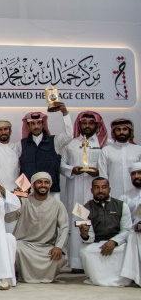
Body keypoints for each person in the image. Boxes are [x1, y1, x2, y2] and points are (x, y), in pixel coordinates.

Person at [61, 111, 107, 272]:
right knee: (77, 222)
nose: (87, 126)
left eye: (91, 123)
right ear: (79, 125)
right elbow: (61, 165)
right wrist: (72, 169)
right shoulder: (71, 144)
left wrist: (99, 172)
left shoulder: (103, 144)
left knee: (98, 221)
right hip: (76, 192)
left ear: (96, 125)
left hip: (96, 193)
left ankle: (98, 262)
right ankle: (76, 263)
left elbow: (107, 166)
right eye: (84, 123)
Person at [7, 172, 69, 283]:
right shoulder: (24, 201)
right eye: (39, 182)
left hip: (46, 247)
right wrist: (15, 201)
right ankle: (18, 273)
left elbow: (65, 228)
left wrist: (58, 247)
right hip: (24, 245)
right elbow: (8, 218)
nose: (43, 185)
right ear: (33, 185)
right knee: (14, 249)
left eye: (46, 182)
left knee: (58, 256)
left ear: (50, 185)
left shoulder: (57, 205)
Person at [78, 178, 131, 287]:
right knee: (86, 252)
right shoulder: (83, 209)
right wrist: (85, 235)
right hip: (96, 243)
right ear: (91, 190)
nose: (101, 190)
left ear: (109, 189)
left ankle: (121, 280)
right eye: (97, 187)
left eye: (104, 187)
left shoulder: (122, 205)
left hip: (118, 243)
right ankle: (96, 279)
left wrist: (113, 241)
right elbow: (89, 237)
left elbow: (127, 230)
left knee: (127, 251)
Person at [18, 105, 73, 200]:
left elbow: (69, 136)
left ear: (43, 124)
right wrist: (23, 188)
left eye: (38, 123)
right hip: (29, 193)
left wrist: (65, 113)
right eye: (33, 124)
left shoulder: (55, 141)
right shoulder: (21, 144)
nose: (36, 126)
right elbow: (17, 168)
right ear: (28, 126)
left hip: (51, 192)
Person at [97, 119, 141, 198]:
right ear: (114, 132)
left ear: (129, 131)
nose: (121, 132)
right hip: (114, 194)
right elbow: (103, 174)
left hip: (136, 196)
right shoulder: (106, 150)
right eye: (118, 129)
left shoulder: (138, 149)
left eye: (124, 129)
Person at [120, 162, 141, 285]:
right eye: (133, 174)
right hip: (133, 231)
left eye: (139, 173)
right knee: (133, 236)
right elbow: (122, 219)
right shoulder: (125, 196)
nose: (136, 176)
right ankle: (135, 276)